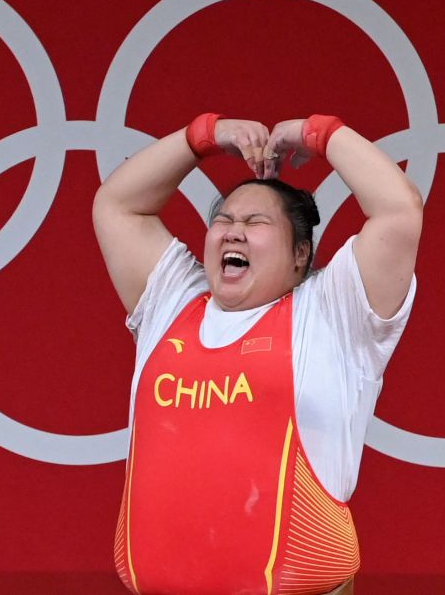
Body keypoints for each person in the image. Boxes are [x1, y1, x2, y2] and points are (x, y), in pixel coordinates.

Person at [93, 113, 422, 595]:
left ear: (300, 255)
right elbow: (117, 205)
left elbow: (400, 208)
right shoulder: (173, 300)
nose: (232, 231)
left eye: (255, 222)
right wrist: (204, 135)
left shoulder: (333, 311)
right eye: (223, 220)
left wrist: (320, 133)